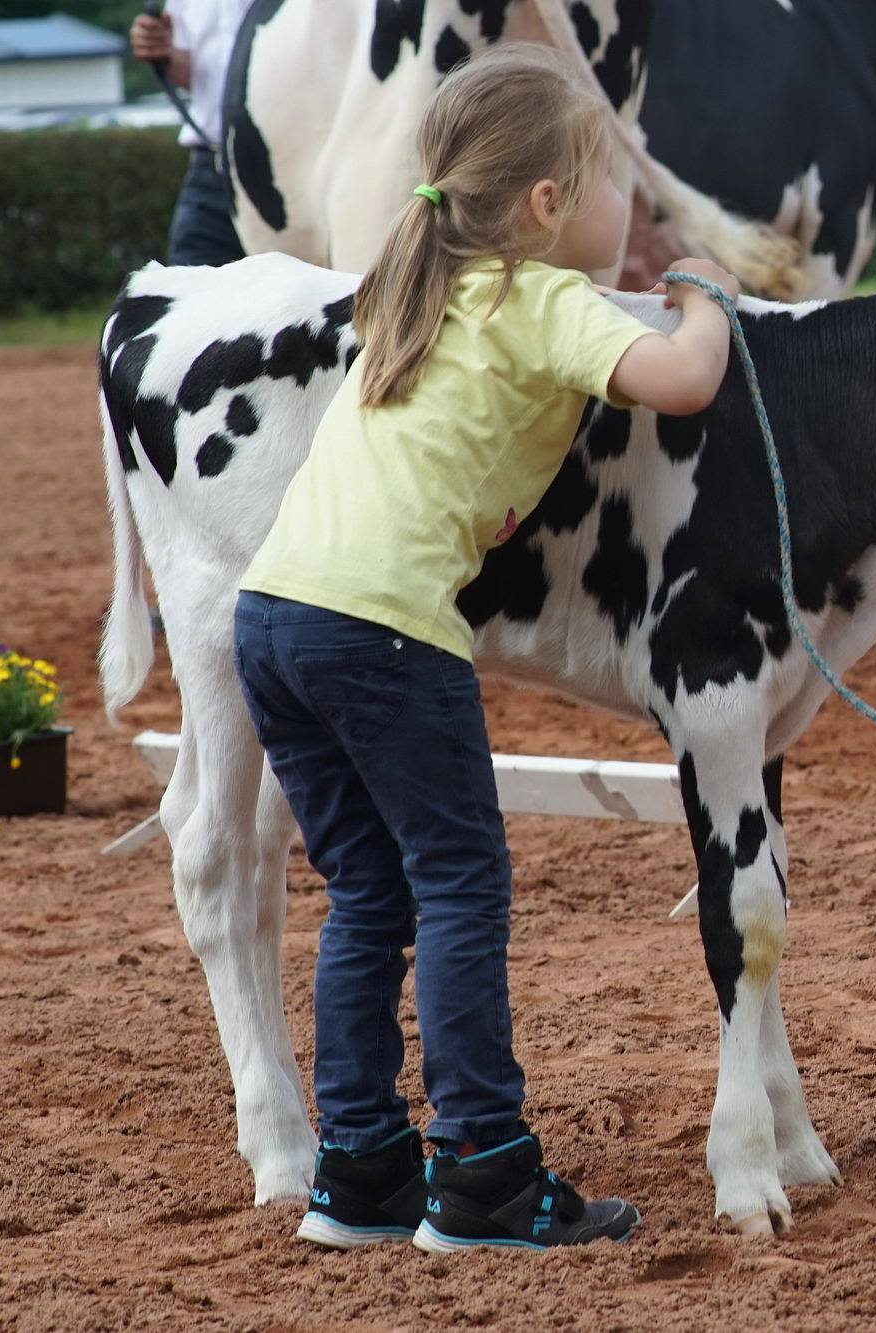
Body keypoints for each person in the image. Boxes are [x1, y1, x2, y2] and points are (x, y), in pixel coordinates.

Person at [231, 45, 740, 1253]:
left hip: (276, 617)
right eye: (612, 178)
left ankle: (355, 1172)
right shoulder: (543, 297)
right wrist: (700, 286)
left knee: (368, 892)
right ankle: (485, 1175)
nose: (628, 204)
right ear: (549, 204)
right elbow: (680, 380)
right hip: (384, 628)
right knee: (460, 884)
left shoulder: (409, 293)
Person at [128, 0, 251, 266]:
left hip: (295, 166)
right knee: (192, 294)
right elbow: (196, 72)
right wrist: (163, 52)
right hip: (213, 167)